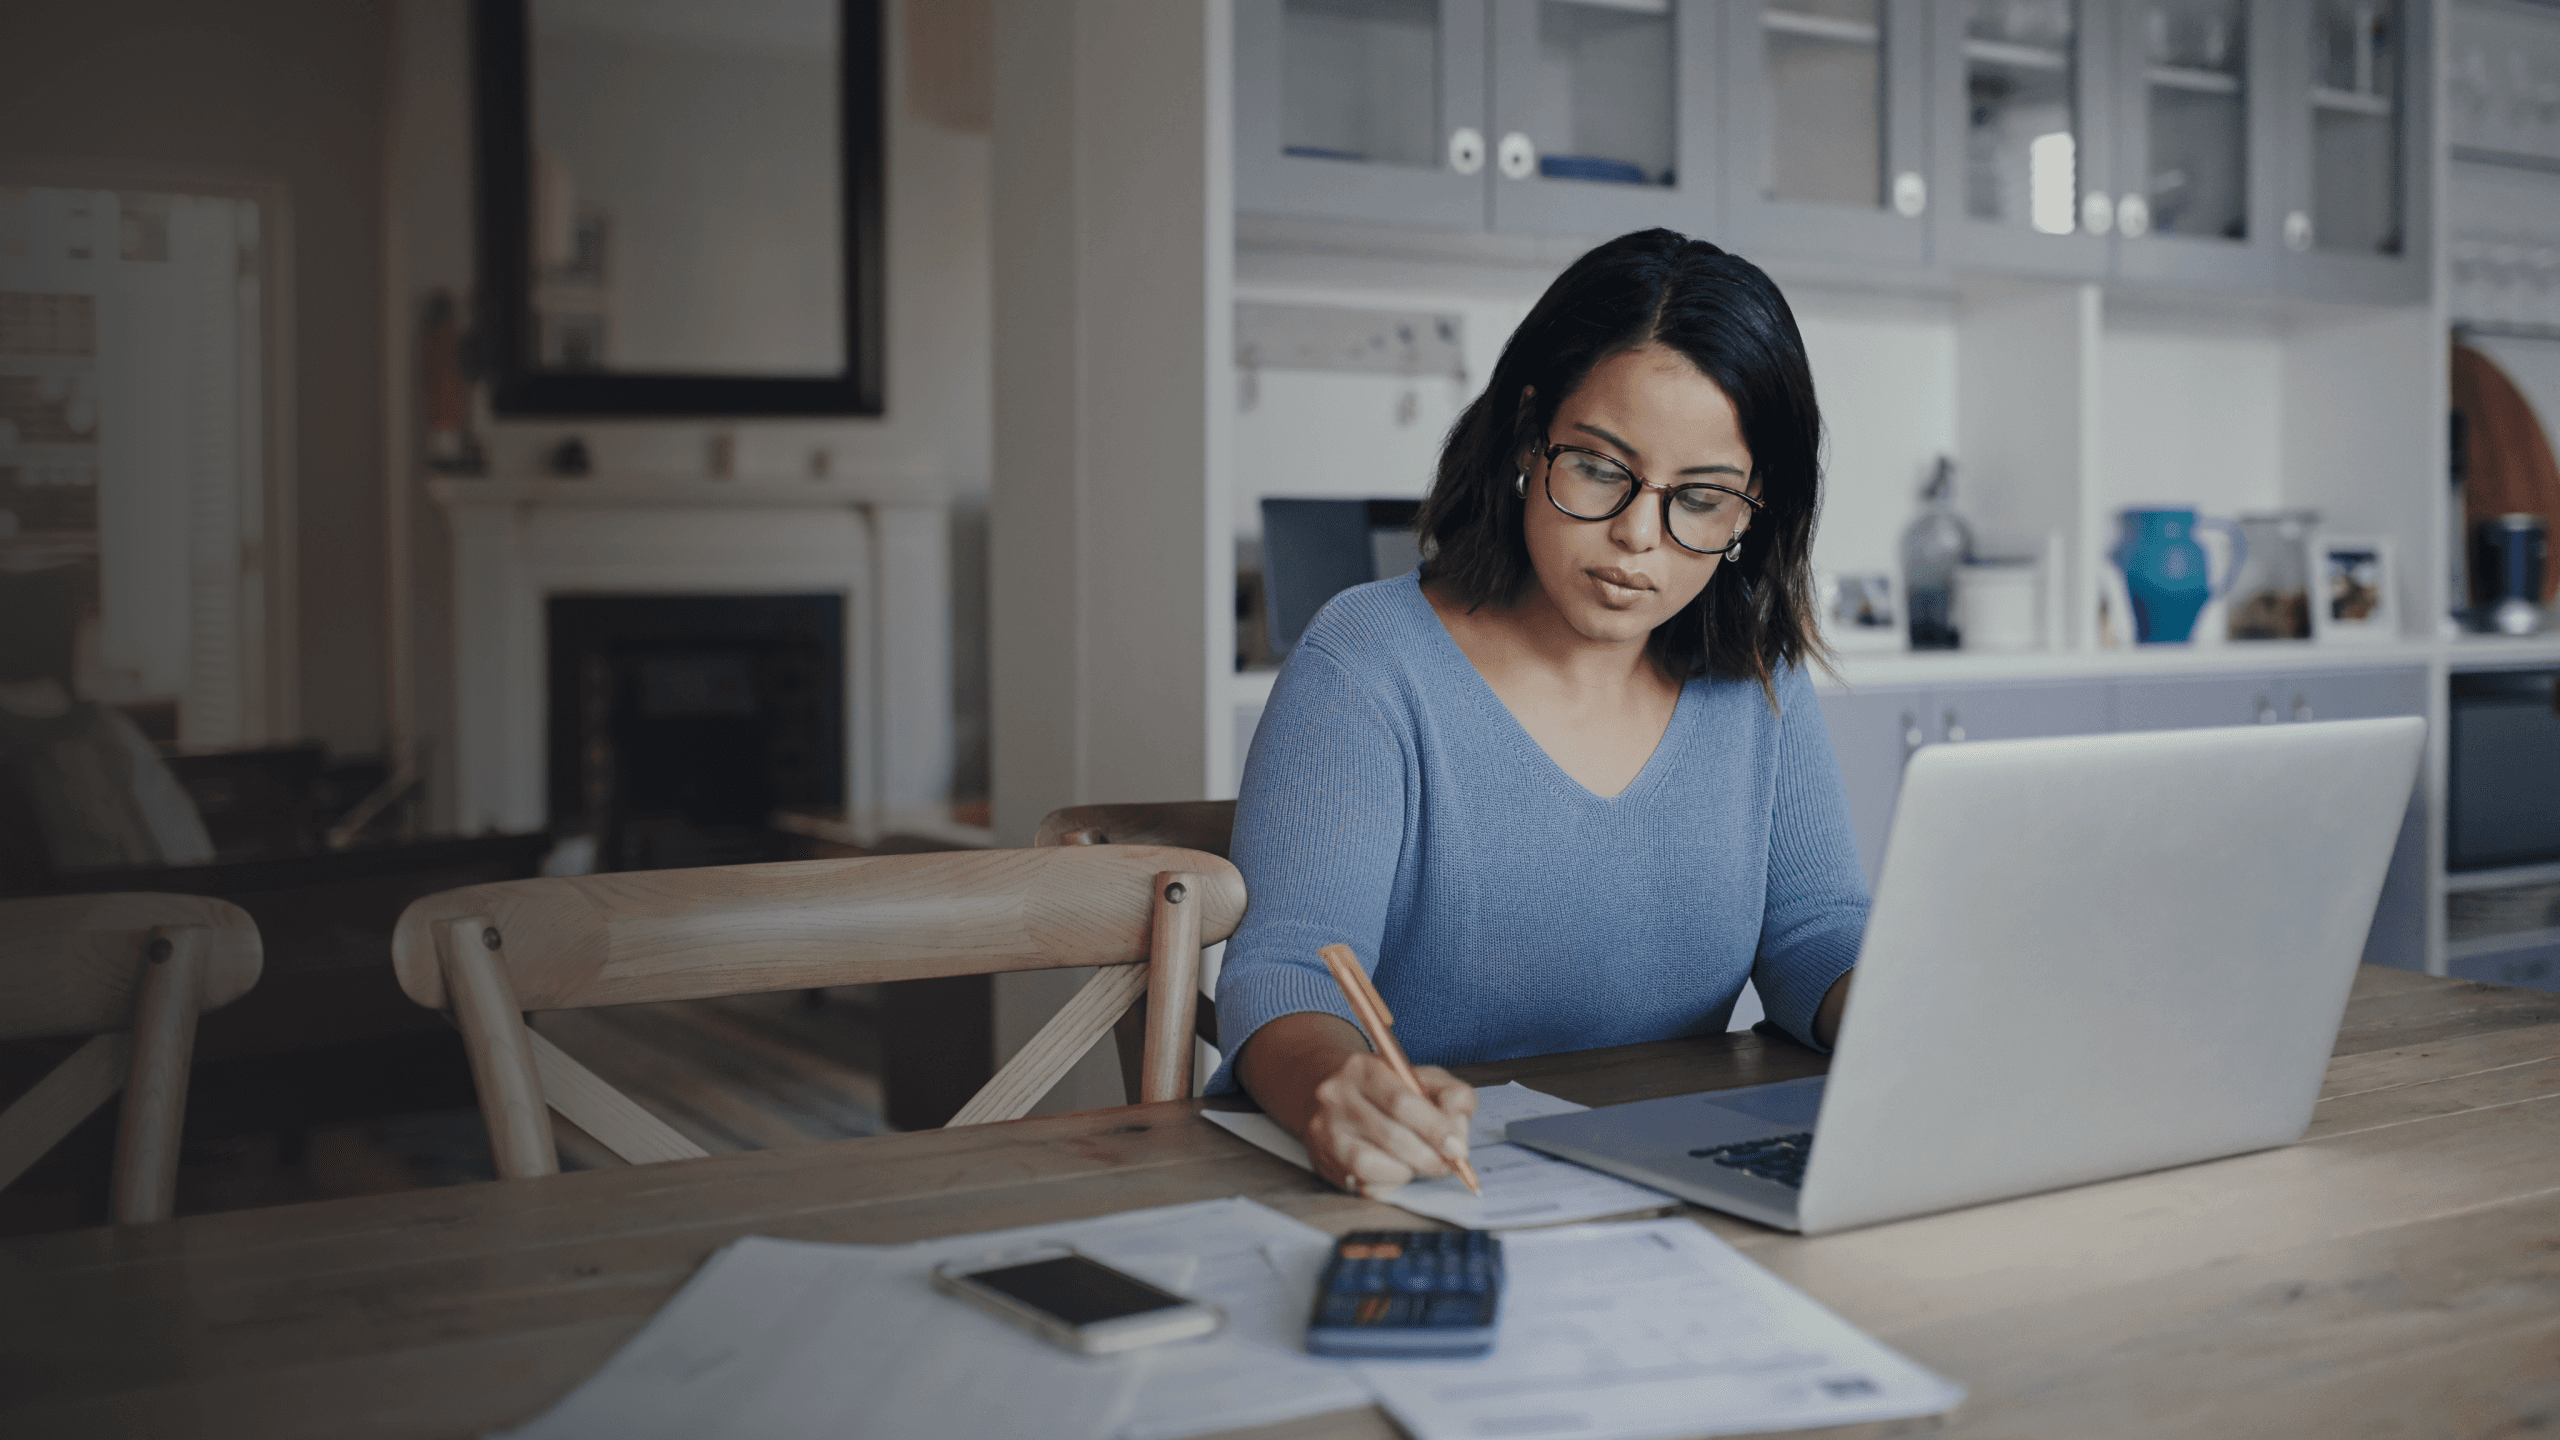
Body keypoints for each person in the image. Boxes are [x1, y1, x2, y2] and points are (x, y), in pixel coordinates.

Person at [1206, 229, 1867, 1198]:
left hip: (1670, 1184)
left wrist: (1913, 1011)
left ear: (1753, 508)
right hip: (1424, 1188)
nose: (1637, 536)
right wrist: (1336, 1093)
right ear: (1528, 434)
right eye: (1598, 468)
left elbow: (1814, 935)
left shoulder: (1757, 676)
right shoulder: (1369, 662)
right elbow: (1289, 971)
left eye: (1701, 498)